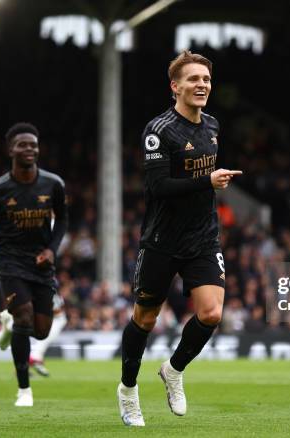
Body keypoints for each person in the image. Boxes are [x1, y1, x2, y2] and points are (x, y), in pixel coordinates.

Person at [117, 50, 242, 427]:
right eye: (193, 79)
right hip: (161, 240)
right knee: (145, 318)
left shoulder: (213, 126)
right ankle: (127, 390)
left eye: (205, 79)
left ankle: (173, 370)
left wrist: (208, 185)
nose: (201, 84)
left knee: (212, 313)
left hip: (202, 237)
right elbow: (158, 187)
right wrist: (207, 180)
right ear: (175, 86)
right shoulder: (159, 130)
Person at [0, 122, 68, 407]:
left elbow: (62, 220)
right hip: (10, 261)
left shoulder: (54, 184)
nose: (29, 149)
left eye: (33, 145)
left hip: (42, 263)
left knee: (40, 331)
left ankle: (10, 324)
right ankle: (24, 390)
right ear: (10, 150)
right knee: (24, 316)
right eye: (23, 144)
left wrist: (52, 250)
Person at [29, 292, 68, 377]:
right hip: (54, 319)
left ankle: (34, 360)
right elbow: (57, 310)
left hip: (55, 319)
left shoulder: (50, 291)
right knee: (44, 339)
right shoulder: (48, 292)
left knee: (43, 340)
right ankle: (35, 359)